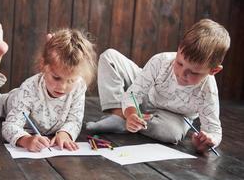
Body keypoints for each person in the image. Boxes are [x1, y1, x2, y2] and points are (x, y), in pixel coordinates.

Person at [86, 19, 230, 153]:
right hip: (147, 93)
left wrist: (207, 141)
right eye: (179, 63)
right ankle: (119, 113)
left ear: (214, 70)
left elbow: (214, 130)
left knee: (171, 133)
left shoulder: (207, 90)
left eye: (193, 72)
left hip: (174, 116)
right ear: (179, 49)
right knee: (109, 56)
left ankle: (126, 123)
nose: (181, 73)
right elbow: (133, 94)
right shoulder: (161, 61)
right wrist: (131, 113)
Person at [0, 23, 96, 152]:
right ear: (43, 66)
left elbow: (75, 119)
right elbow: (11, 125)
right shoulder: (29, 88)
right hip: (14, 101)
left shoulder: (79, 85)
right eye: (56, 77)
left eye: (70, 80)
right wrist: (26, 140)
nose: (63, 87)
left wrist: (65, 134)